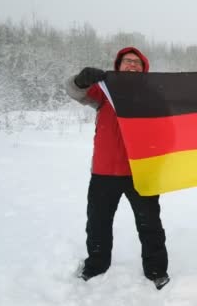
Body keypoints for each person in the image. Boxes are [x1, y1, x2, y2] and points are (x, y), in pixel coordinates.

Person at [64, 47, 170, 290]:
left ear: (144, 68)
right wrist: (80, 79)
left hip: (142, 172)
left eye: (137, 62)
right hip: (104, 172)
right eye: (127, 62)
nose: (131, 65)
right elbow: (74, 92)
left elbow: (168, 131)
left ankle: (156, 269)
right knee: (98, 223)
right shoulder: (104, 92)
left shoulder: (154, 96)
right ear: (118, 66)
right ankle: (96, 264)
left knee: (150, 224)